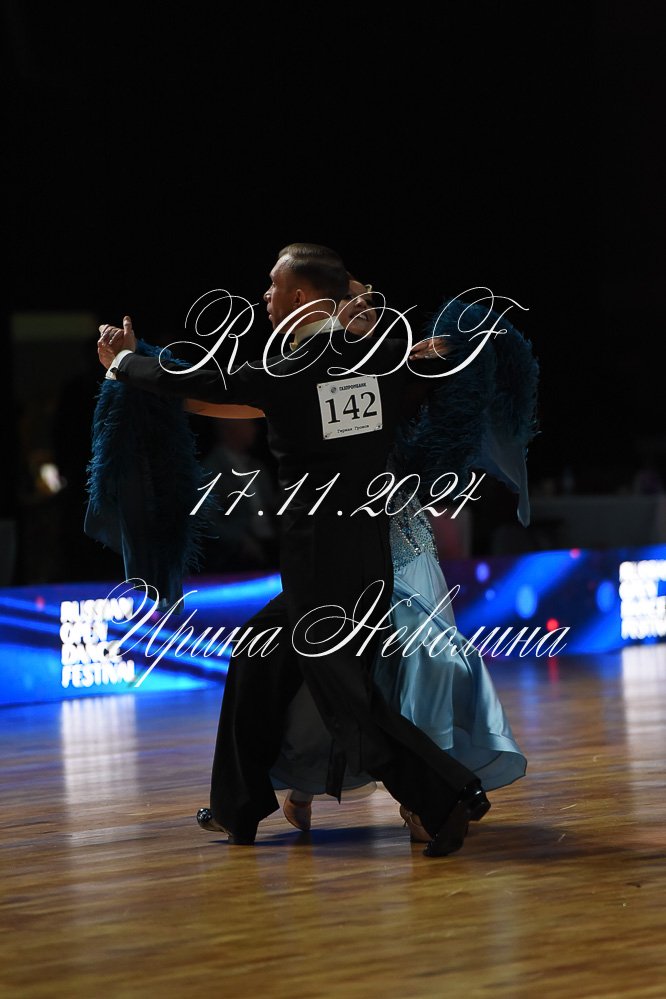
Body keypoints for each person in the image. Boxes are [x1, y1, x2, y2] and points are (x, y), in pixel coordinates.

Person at [97, 243, 492, 858]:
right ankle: (237, 806)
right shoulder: (382, 357)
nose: (264, 296)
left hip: (318, 562)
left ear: (301, 297)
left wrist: (125, 361)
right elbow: (433, 364)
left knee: (348, 704)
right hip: (366, 556)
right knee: (254, 657)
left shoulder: (291, 371)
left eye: (272, 286)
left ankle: (447, 795)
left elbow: (203, 382)